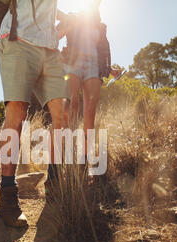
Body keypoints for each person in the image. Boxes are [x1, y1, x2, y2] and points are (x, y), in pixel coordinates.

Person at [0, 0, 70, 228]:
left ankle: (55, 183)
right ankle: (8, 197)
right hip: (17, 41)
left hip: (50, 51)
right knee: (17, 113)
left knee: (62, 114)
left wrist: (59, 30)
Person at [58, 1, 121, 161]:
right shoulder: (72, 17)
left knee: (90, 111)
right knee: (71, 104)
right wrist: (56, 55)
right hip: (73, 62)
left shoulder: (101, 26)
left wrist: (110, 70)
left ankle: (84, 157)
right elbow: (54, 34)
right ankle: (67, 148)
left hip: (94, 65)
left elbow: (103, 51)